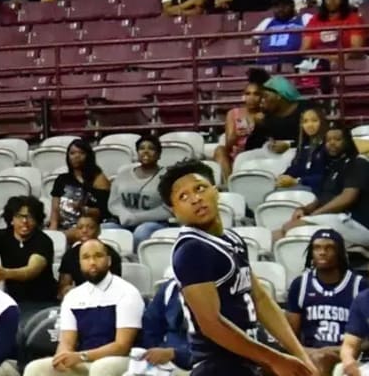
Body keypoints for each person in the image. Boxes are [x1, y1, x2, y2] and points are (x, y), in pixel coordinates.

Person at [159, 160, 314, 376]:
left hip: (246, 361)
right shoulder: (192, 249)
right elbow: (211, 324)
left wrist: (301, 357)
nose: (195, 199)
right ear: (174, 211)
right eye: (183, 197)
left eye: (200, 188)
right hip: (217, 366)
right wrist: (275, 359)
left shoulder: (232, 239)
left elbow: (260, 299)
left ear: (216, 190)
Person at [21, 240, 144, 376]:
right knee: (36, 369)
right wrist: (62, 355)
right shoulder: (73, 296)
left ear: (108, 261)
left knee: (101, 368)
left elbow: (122, 346)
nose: (92, 262)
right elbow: (67, 342)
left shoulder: (127, 292)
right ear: (80, 263)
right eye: (86, 257)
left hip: (121, 360)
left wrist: (82, 356)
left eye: (98, 256)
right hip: (84, 359)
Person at [286, 229, 366, 376]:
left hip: (348, 355)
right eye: (317, 248)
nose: (322, 252)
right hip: (309, 353)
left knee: (322, 359)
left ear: (340, 253)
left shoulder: (359, 286)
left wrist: (342, 351)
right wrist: (314, 352)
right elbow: (290, 336)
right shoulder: (300, 285)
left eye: (329, 248)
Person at [277, 125, 369, 246]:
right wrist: (304, 210)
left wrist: (315, 214)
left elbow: (347, 198)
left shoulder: (358, 162)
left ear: (347, 141)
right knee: (277, 234)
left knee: (293, 227)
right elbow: (322, 197)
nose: (332, 143)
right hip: (338, 219)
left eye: (337, 139)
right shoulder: (332, 165)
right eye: (328, 140)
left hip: (357, 223)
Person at [106, 135, 171, 249]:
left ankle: (136, 263)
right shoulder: (123, 173)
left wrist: (138, 218)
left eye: (151, 148)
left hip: (154, 223)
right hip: (124, 222)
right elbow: (113, 202)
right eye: (141, 148)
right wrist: (124, 215)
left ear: (159, 154)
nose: (145, 151)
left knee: (142, 231)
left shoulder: (167, 176)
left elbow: (169, 208)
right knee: (104, 229)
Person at [50, 140, 110, 244]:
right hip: (63, 226)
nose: (76, 156)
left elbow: (103, 212)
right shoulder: (61, 179)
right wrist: (53, 230)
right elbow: (55, 209)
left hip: (88, 226)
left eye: (81, 153)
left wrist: (83, 209)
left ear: (88, 155)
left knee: (62, 238)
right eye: (72, 153)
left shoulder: (99, 179)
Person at [214, 69, 267, 181]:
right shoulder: (233, 113)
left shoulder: (265, 114)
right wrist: (236, 135)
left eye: (256, 94)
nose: (251, 98)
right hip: (235, 154)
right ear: (243, 96)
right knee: (220, 150)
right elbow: (228, 145)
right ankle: (229, 185)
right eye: (248, 94)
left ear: (262, 97)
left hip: (256, 154)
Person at [56, 215, 123, 300]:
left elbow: (115, 286)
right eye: (80, 228)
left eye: (90, 227)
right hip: (80, 299)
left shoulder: (110, 253)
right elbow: (63, 286)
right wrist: (67, 291)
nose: (84, 231)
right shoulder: (70, 255)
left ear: (98, 230)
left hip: (106, 298)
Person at [140, 279, 192, 376]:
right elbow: (150, 327)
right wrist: (156, 351)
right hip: (163, 360)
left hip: (195, 364)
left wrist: (175, 354)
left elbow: (210, 348)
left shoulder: (217, 293)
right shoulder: (170, 288)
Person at [245, 75, 306, 152]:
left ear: (278, 96)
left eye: (266, 96)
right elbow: (251, 148)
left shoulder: (306, 109)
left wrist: (289, 146)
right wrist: (258, 126)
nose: (262, 101)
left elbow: (316, 140)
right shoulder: (268, 117)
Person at [276, 105, 329, 192]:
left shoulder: (328, 144)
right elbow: (296, 167)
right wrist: (283, 176)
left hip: (319, 191)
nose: (309, 125)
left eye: (314, 120)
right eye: (305, 121)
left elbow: (327, 176)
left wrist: (298, 181)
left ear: (322, 122)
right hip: (301, 187)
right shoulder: (304, 145)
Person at [255, 0, 311, 64]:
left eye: (284, 5)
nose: (280, 9)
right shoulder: (267, 21)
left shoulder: (304, 18)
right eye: (277, 6)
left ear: (292, 5)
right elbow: (252, 40)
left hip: (294, 64)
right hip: (266, 65)